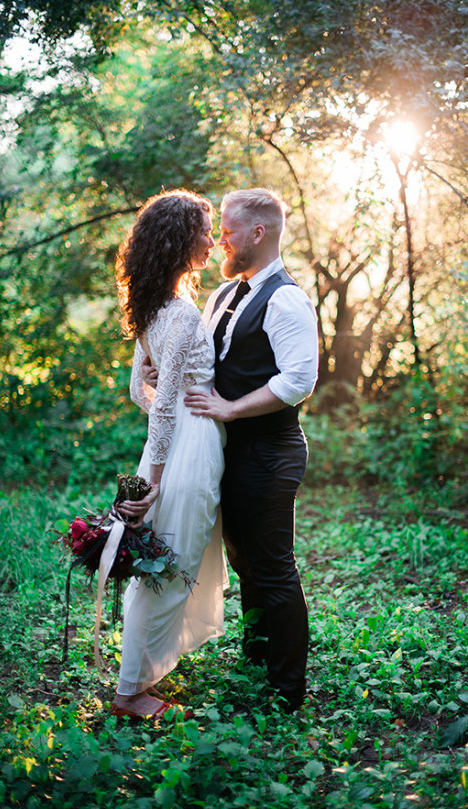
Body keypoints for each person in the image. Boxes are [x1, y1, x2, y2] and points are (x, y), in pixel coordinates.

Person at [184, 188, 318, 710]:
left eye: (228, 231)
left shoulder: (285, 297)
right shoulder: (223, 294)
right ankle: (255, 661)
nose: (220, 240)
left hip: (270, 450)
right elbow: (208, 359)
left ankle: (287, 691)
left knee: (273, 566)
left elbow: (298, 381)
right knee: (244, 561)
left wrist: (232, 409)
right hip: (230, 452)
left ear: (258, 233)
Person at [112, 189, 228, 721]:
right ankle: (130, 692)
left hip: (178, 440)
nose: (212, 239)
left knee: (169, 558)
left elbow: (141, 390)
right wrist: (154, 481)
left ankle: (140, 675)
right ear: (181, 239)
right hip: (187, 449)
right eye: (205, 231)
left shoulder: (155, 305)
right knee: (171, 562)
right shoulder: (178, 314)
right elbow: (154, 408)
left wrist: (169, 392)